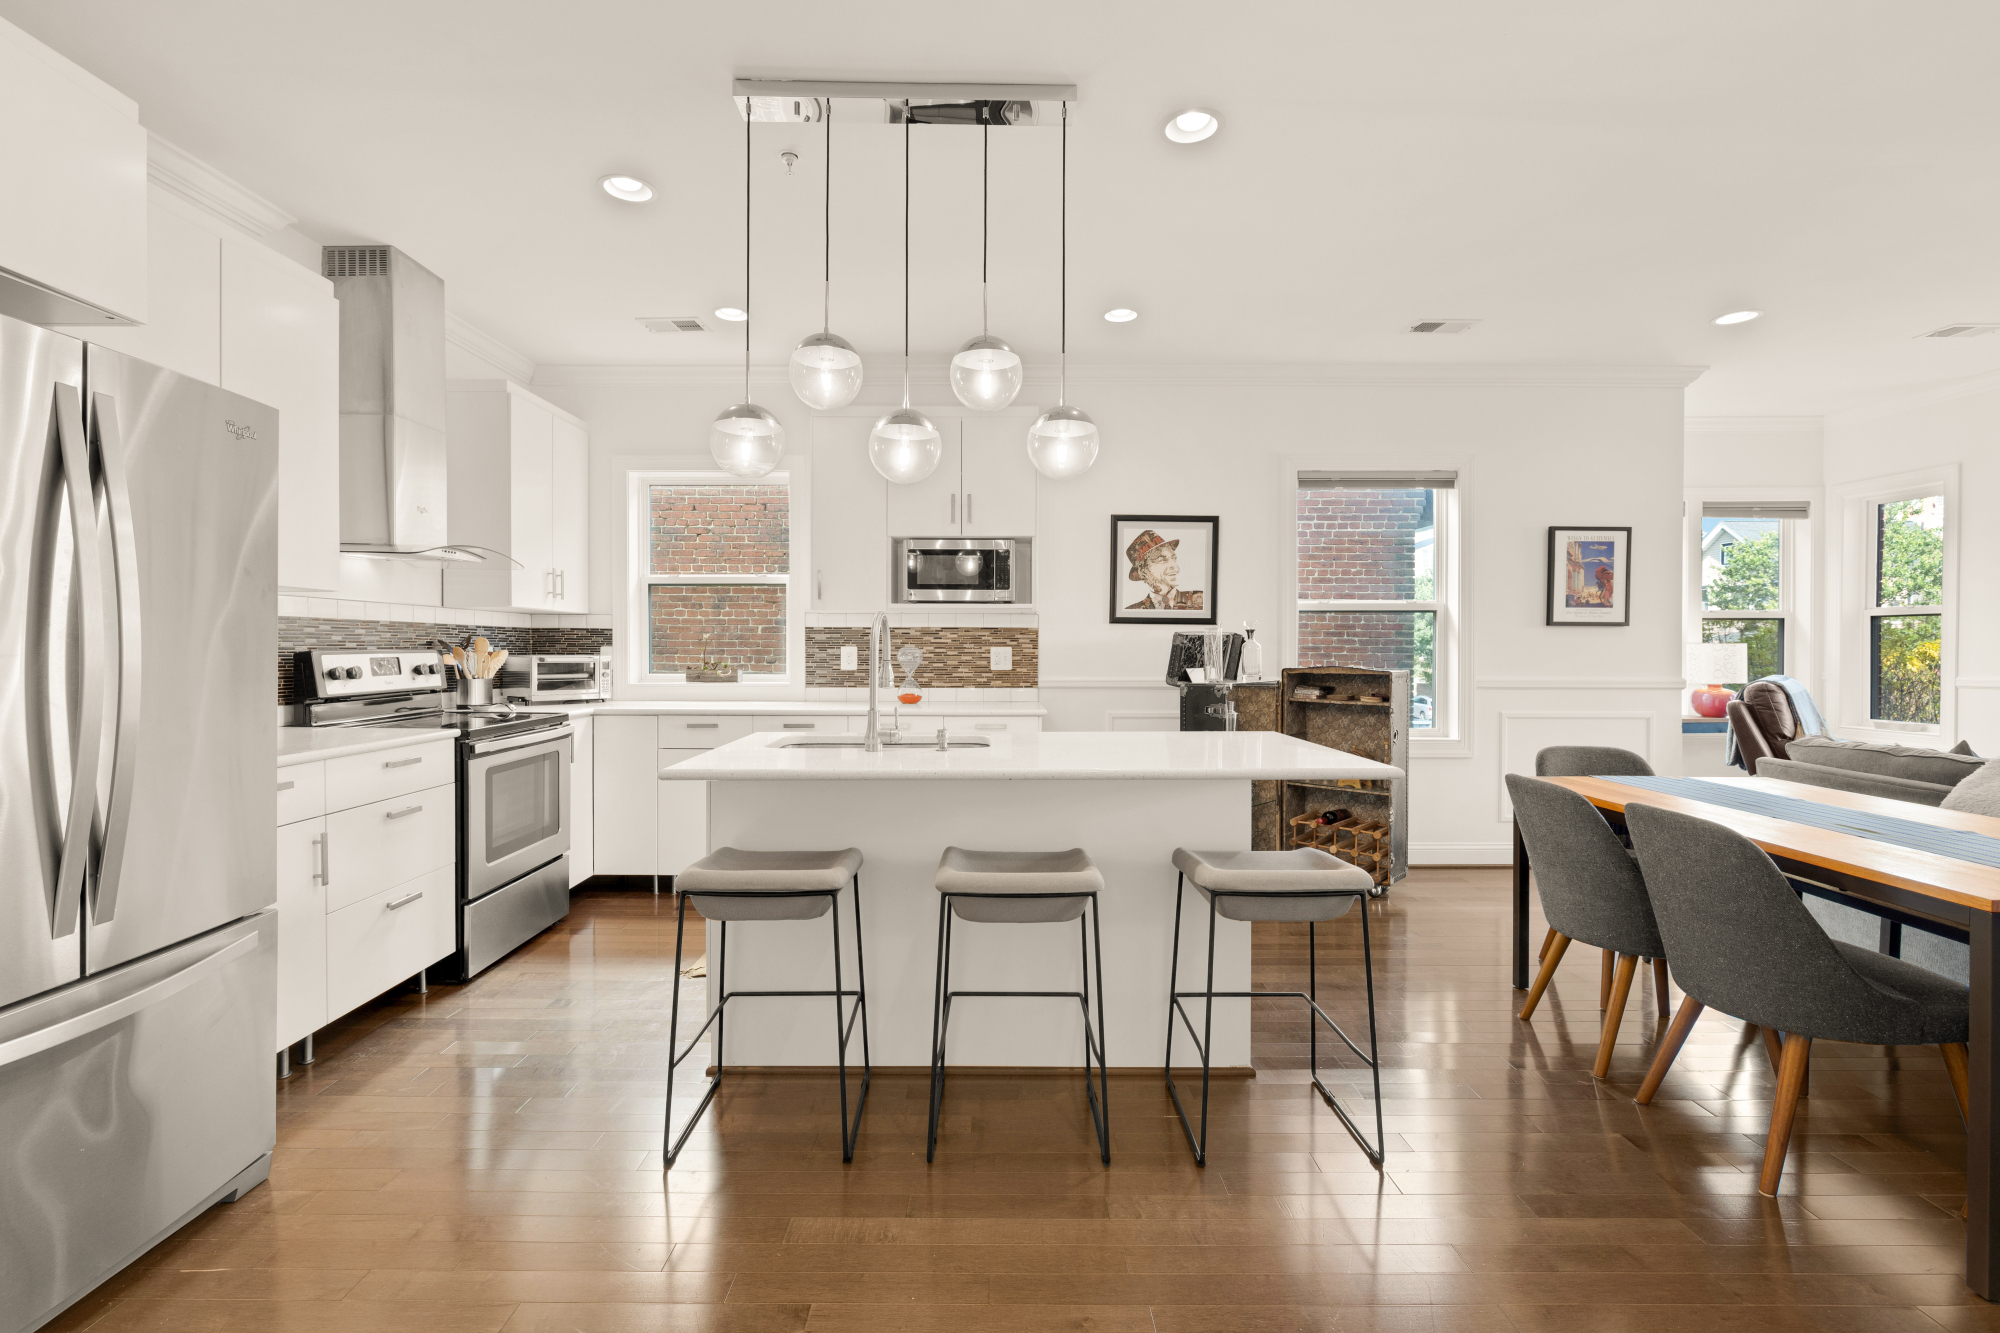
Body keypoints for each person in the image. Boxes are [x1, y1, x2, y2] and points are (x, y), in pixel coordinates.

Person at [1125, 529, 1204, 611]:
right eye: (1163, 560)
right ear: (1145, 571)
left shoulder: (1201, 599)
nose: (1174, 566)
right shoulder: (1133, 611)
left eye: (1173, 559)